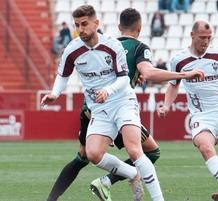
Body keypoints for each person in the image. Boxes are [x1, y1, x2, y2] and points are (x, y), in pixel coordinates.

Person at [45, 7, 204, 201]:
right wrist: (54, 93)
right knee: (93, 154)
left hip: (122, 101)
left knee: (135, 150)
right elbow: (63, 75)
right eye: (77, 25)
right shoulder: (72, 48)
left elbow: (123, 78)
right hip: (98, 108)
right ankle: (129, 173)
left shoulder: (113, 45)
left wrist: (108, 90)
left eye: (84, 24)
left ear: (97, 24)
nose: (80, 29)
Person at [157, 20, 218, 201]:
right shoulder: (178, 60)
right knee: (205, 145)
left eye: (209, 38)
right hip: (202, 115)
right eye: (202, 37)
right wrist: (166, 105)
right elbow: (173, 86)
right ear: (192, 35)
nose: (206, 41)